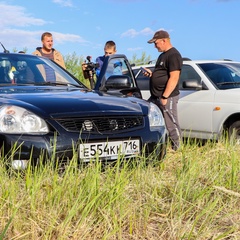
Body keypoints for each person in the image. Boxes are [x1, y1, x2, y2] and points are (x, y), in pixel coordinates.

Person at [144, 30, 182, 151]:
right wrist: (152, 75)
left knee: (171, 122)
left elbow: (174, 77)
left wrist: (165, 97)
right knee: (149, 117)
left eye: (156, 43)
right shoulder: (162, 56)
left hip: (166, 96)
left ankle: (177, 148)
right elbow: (162, 74)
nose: (155, 46)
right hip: (155, 96)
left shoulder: (173, 55)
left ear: (164, 40)